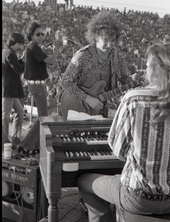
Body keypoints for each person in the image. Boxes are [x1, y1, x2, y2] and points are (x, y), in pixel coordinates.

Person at [77, 42, 170, 222]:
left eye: (149, 65)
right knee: (118, 180)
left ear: (159, 68)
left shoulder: (134, 99)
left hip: (138, 200)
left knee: (84, 181)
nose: (146, 70)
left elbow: (118, 150)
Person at [61, 11, 137, 118]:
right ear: (96, 36)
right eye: (106, 40)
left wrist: (137, 85)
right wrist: (87, 99)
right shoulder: (82, 56)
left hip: (104, 109)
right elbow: (65, 82)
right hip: (80, 109)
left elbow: (126, 80)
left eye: (113, 40)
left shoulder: (117, 56)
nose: (110, 44)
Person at [16, 21, 62, 155]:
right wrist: (57, 49)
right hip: (37, 85)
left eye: (43, 34)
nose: (41, 36)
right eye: (38, 34)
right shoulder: (33, 47)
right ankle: (25, 145)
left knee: (43, 115)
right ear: (31, 35)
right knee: (43, 116)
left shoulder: (32, 47)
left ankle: (35, 145)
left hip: (36, 84)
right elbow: (51, 61)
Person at [2, 33, 26, 148]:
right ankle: (5, 142)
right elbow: (18, 69)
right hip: (8, 88)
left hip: (9, 88)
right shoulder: (10, 54)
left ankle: (15, 140)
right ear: (13, 42)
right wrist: (24, 60)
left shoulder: (7, 52)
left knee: (20, 112)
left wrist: (20, 59)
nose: (20, 47)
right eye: (19, 44)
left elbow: (14, 66)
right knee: (5, 116)